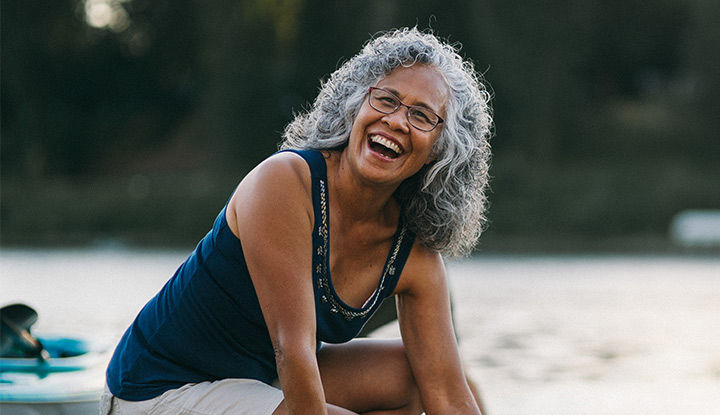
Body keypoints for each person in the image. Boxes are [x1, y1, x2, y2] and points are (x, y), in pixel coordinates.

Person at [101, 27, 493, 415]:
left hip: (261, 378)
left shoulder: (415, 254)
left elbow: (449, 394)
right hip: (160, 387)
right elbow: (294, 352)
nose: (396, 121)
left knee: (417, 376)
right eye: (387, 99)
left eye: (422, 115)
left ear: (441, 151)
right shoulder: (285, 183)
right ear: (356, 105)